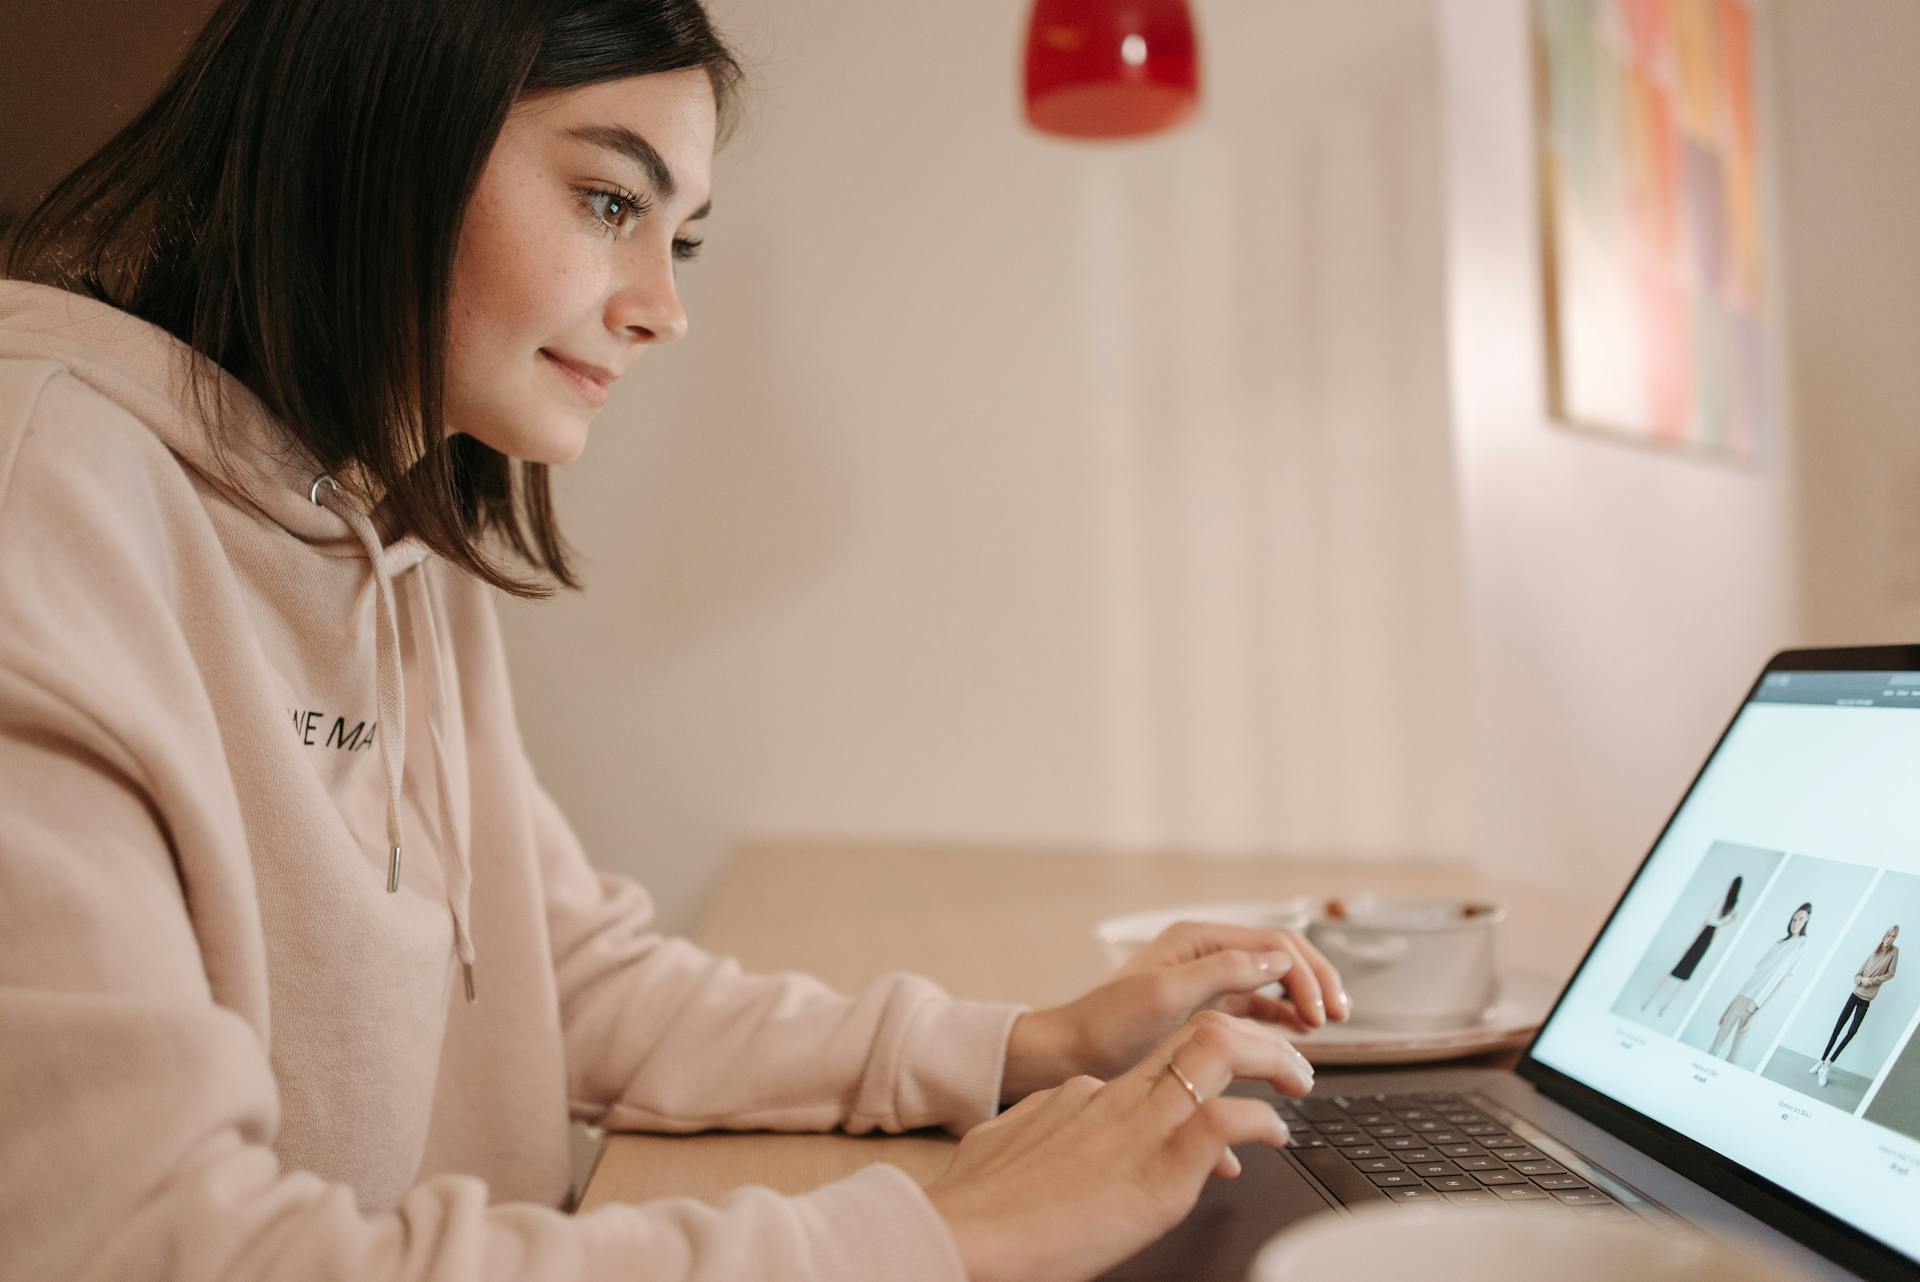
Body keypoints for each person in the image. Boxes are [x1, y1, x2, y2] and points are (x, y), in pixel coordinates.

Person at [0, 3, 1351, 1281]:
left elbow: (564, 977)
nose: (662, 302)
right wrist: (928, 1232)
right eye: (608, 202)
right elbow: (160, 1247)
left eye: (680, 236)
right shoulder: (42, 509)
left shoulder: (391, 521)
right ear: (386, 128)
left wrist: (1023, 1043)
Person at [1708, 903, 1812, 1064]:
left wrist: (1756, 1015)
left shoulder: (1801, 944)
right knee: (1714, 1048)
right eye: (1794, 918)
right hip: (1741, 998)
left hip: (1755, 1005)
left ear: (1806, 921)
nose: (1796, 922)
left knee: (1733, 1057)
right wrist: (1728, 1007)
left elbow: (1781, 983)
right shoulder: (1779, 943)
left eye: (1801, 919)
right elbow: (1755, 977)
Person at [1811, 924, 1900, 1087]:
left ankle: (1827, 1065)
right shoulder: (1874, 953)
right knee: (1838, 1028)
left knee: (1852, 1031)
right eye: (1888, 935)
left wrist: (1872, 981)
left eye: (1893, 936)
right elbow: (1856, 975)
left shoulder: (1894, 952)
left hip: (1866, 999)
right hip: (1854, 995)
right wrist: (1861, 980)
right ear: (1884, 936)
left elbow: (1891, 973)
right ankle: (1821, 1060)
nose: (1890, 939)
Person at [1642, 874, 1742, 1018]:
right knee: (1683, 970)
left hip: (1706, 935)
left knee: (1685, 971)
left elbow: (1709, 921)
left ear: (1732, 886)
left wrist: (1727, 923)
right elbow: (1714, 923)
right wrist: (1728, 922)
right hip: (1707, 936)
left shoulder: (1727, 904)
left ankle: (1661, 1004)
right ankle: (1656, 1001)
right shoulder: (1728, 904)